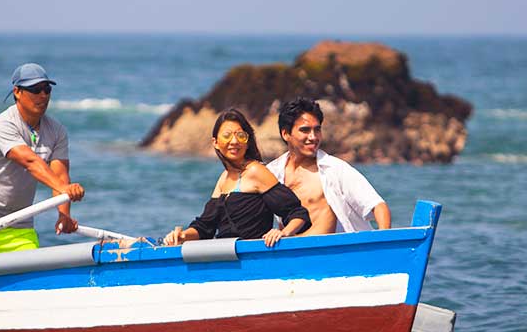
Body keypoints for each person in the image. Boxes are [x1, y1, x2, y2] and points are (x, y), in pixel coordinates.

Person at [0, 63, 85, 252]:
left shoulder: (57, 131)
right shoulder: (4, 125)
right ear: (17, 92)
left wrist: (64, 214)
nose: (43, 95)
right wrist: (65, 189)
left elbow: (60, 176)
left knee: (34, 276)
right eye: (35, 90)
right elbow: (30, 161)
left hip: (19, 226)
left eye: (46, 89)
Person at [163, 109, 310, 248]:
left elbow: (297, 213)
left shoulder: (256, 171)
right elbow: (205, 227)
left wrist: (283, 233)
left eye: (240, 135)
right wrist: (182, 236)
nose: (234, 141)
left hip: (253, 258)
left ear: (247, 142)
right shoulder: (223, 178)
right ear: (215, 142)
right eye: (227, 135)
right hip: (226, 258)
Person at [266, 97, 391, 235]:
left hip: (335, 252)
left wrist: (383, 244)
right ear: (285, 134)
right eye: (305, 130)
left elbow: (378, 206)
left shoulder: (335, 169)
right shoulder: (271, 172)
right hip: (293, 251)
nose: (313, 137)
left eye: (317, 130)